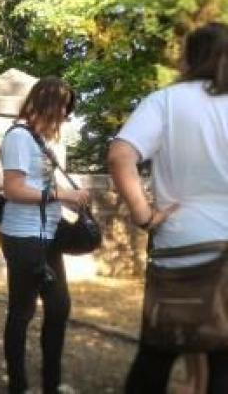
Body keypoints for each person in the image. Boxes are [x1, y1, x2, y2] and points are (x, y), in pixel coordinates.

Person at [108, 22, 228, 393]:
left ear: (188, 56)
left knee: (156, 354)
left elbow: (120, 155)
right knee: (224, 360)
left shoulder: (165, 101)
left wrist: (144, 215)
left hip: (180, 246)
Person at [0, 77, 88, 394]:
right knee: (22, 311)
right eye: (62, 107)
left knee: (59, 307)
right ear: (47, 104)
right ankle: (18, 386)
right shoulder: (19, 138)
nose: (65, 115)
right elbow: (14, 189)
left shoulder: (47, 141)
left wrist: (71, 195)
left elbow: (44, 183)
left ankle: (51, 383)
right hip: (23, 237)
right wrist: (62, 195)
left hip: (48, 234)